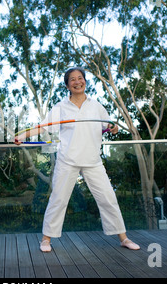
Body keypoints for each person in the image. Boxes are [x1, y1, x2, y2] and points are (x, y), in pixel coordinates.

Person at [15, 67, 140, 252]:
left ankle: (123, 238)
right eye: (72, 79)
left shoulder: (96, 106)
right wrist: (22, 136)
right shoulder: (61, 107)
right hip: (68, 160)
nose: (77, 82)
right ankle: (46, 240)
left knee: (108, 198)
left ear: (85, 82)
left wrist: (114, 128)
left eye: (80, 78)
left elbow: (109, 127)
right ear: (67, 85)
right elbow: (43, 127)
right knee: (58, 199)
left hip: (93, 161)